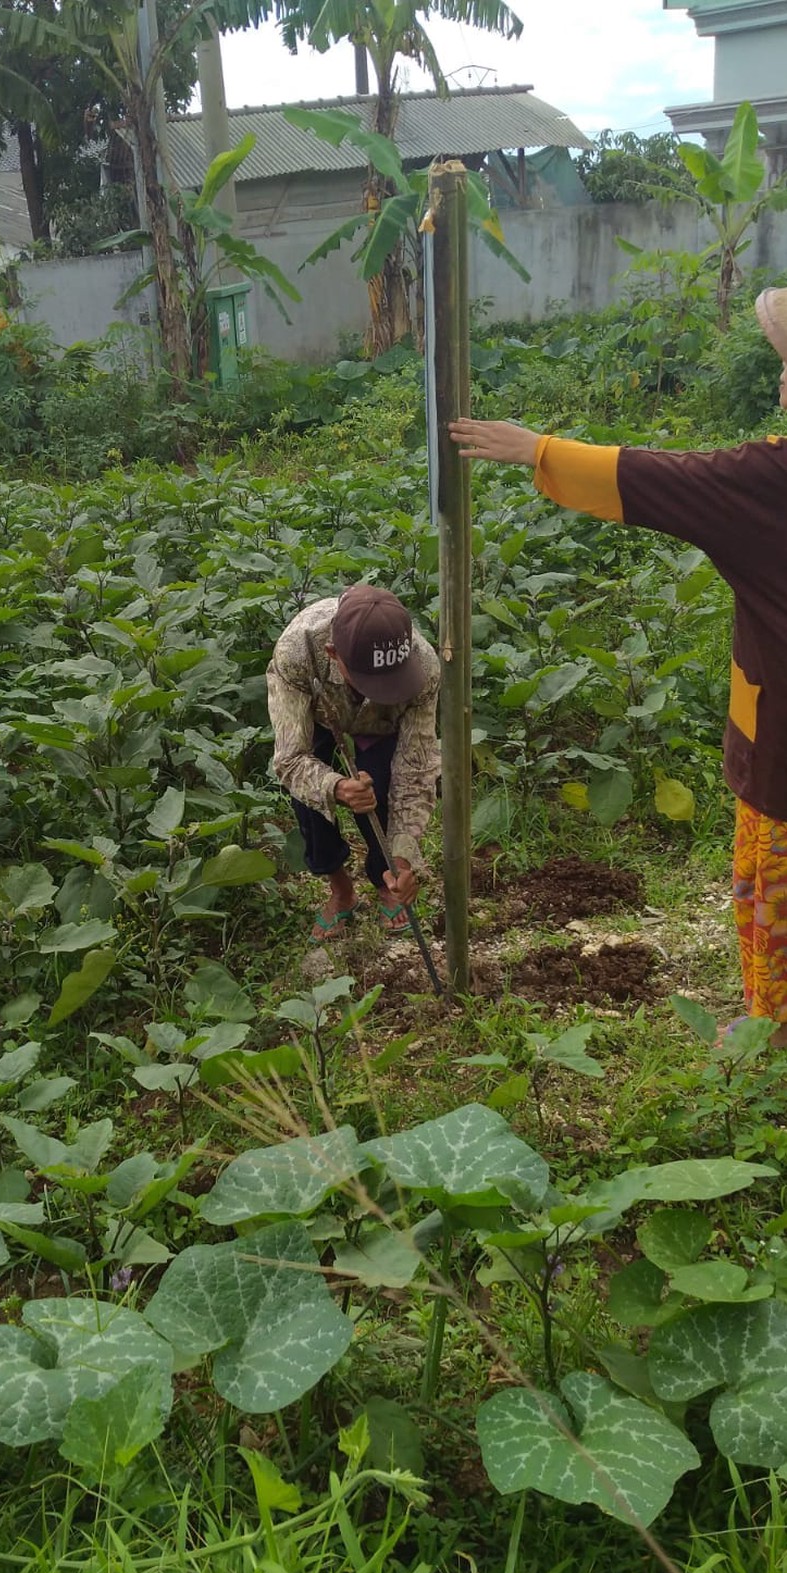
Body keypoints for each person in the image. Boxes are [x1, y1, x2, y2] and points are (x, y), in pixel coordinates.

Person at [449, 285, 787, 1042]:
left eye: (785, 367)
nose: (779, 381)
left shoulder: (766, 483)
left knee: (776, 915)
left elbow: (654, 478)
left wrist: (534, 450)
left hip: (782, 759)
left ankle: (773, 1045)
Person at [267, 583, 440, 940]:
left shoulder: (424, 668)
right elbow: (290, 759)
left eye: (392, 682)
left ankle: (385, 879)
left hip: (380, 723)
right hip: (317, 711)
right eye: (370, 681)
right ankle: (341, 891)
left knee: (384, 785)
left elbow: (417, 769)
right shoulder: (298, 651)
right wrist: (336, 787)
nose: (381, 690)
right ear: (333, 654)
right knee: (309, 801)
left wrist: (405, 859)